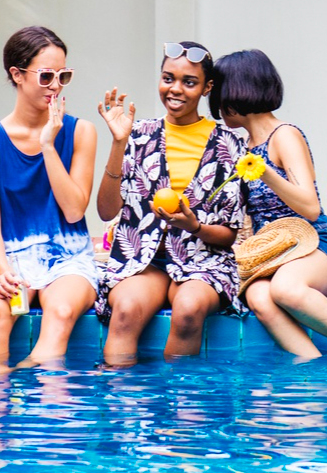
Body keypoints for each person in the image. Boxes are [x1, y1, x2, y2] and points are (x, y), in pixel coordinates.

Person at [211, 48, 327, 360]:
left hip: (315, 246)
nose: (217, 107)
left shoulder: (284, 135)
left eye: (218, 94)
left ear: (236, 92)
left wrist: (266, 174)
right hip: (272, 253)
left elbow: (311, 206)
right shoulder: (241, 146)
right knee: (259, 297)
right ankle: (314, 369)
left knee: (284, 289)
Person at [96, 41, 245, 363]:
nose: (175, 89)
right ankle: (123, 408)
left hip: (203, 262)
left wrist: (196, 226)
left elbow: (230, 235)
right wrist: (118, 144)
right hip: (142, 262)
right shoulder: (137, 134)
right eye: (168, 78)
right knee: (124, 311)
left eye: (188, 82)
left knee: (189, 310)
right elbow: (106, 210)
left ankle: (180, 405)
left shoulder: (228, 145)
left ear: (207, 88)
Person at [0, 26, 99, 364]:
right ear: (17, 74)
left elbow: (74, 211)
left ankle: (39, 402)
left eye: (64, 76)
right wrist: (1, 270)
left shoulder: (82, 132)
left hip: (68, 257)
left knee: (58, 312)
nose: (56, 86)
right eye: (46, 76)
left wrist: (48, 146)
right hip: (11, 258)